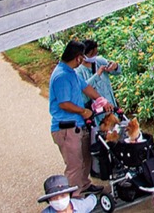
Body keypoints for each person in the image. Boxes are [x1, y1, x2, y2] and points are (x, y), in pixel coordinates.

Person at [49, 40, 104, 197]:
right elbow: (64, 103)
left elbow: (86, 88)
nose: (84, 60)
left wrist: (102, 100)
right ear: (78, 58)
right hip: (66, 128)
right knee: (74, 165)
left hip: (78, 126)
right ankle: (74, 198)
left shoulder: (71, 73)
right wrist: (83, 111)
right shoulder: (61, 76)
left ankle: (84, 185)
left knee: (85, 160)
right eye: (83, 57)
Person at [76, 40, 119, 118]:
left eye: (95, 53)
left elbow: (117, 72)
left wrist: (115, 66)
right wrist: (97, 74)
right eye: (91, 55)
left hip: (109, 102)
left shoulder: (99, 61)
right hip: (96, 110)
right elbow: (84, 87)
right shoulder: (78, 70)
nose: (94, 57)